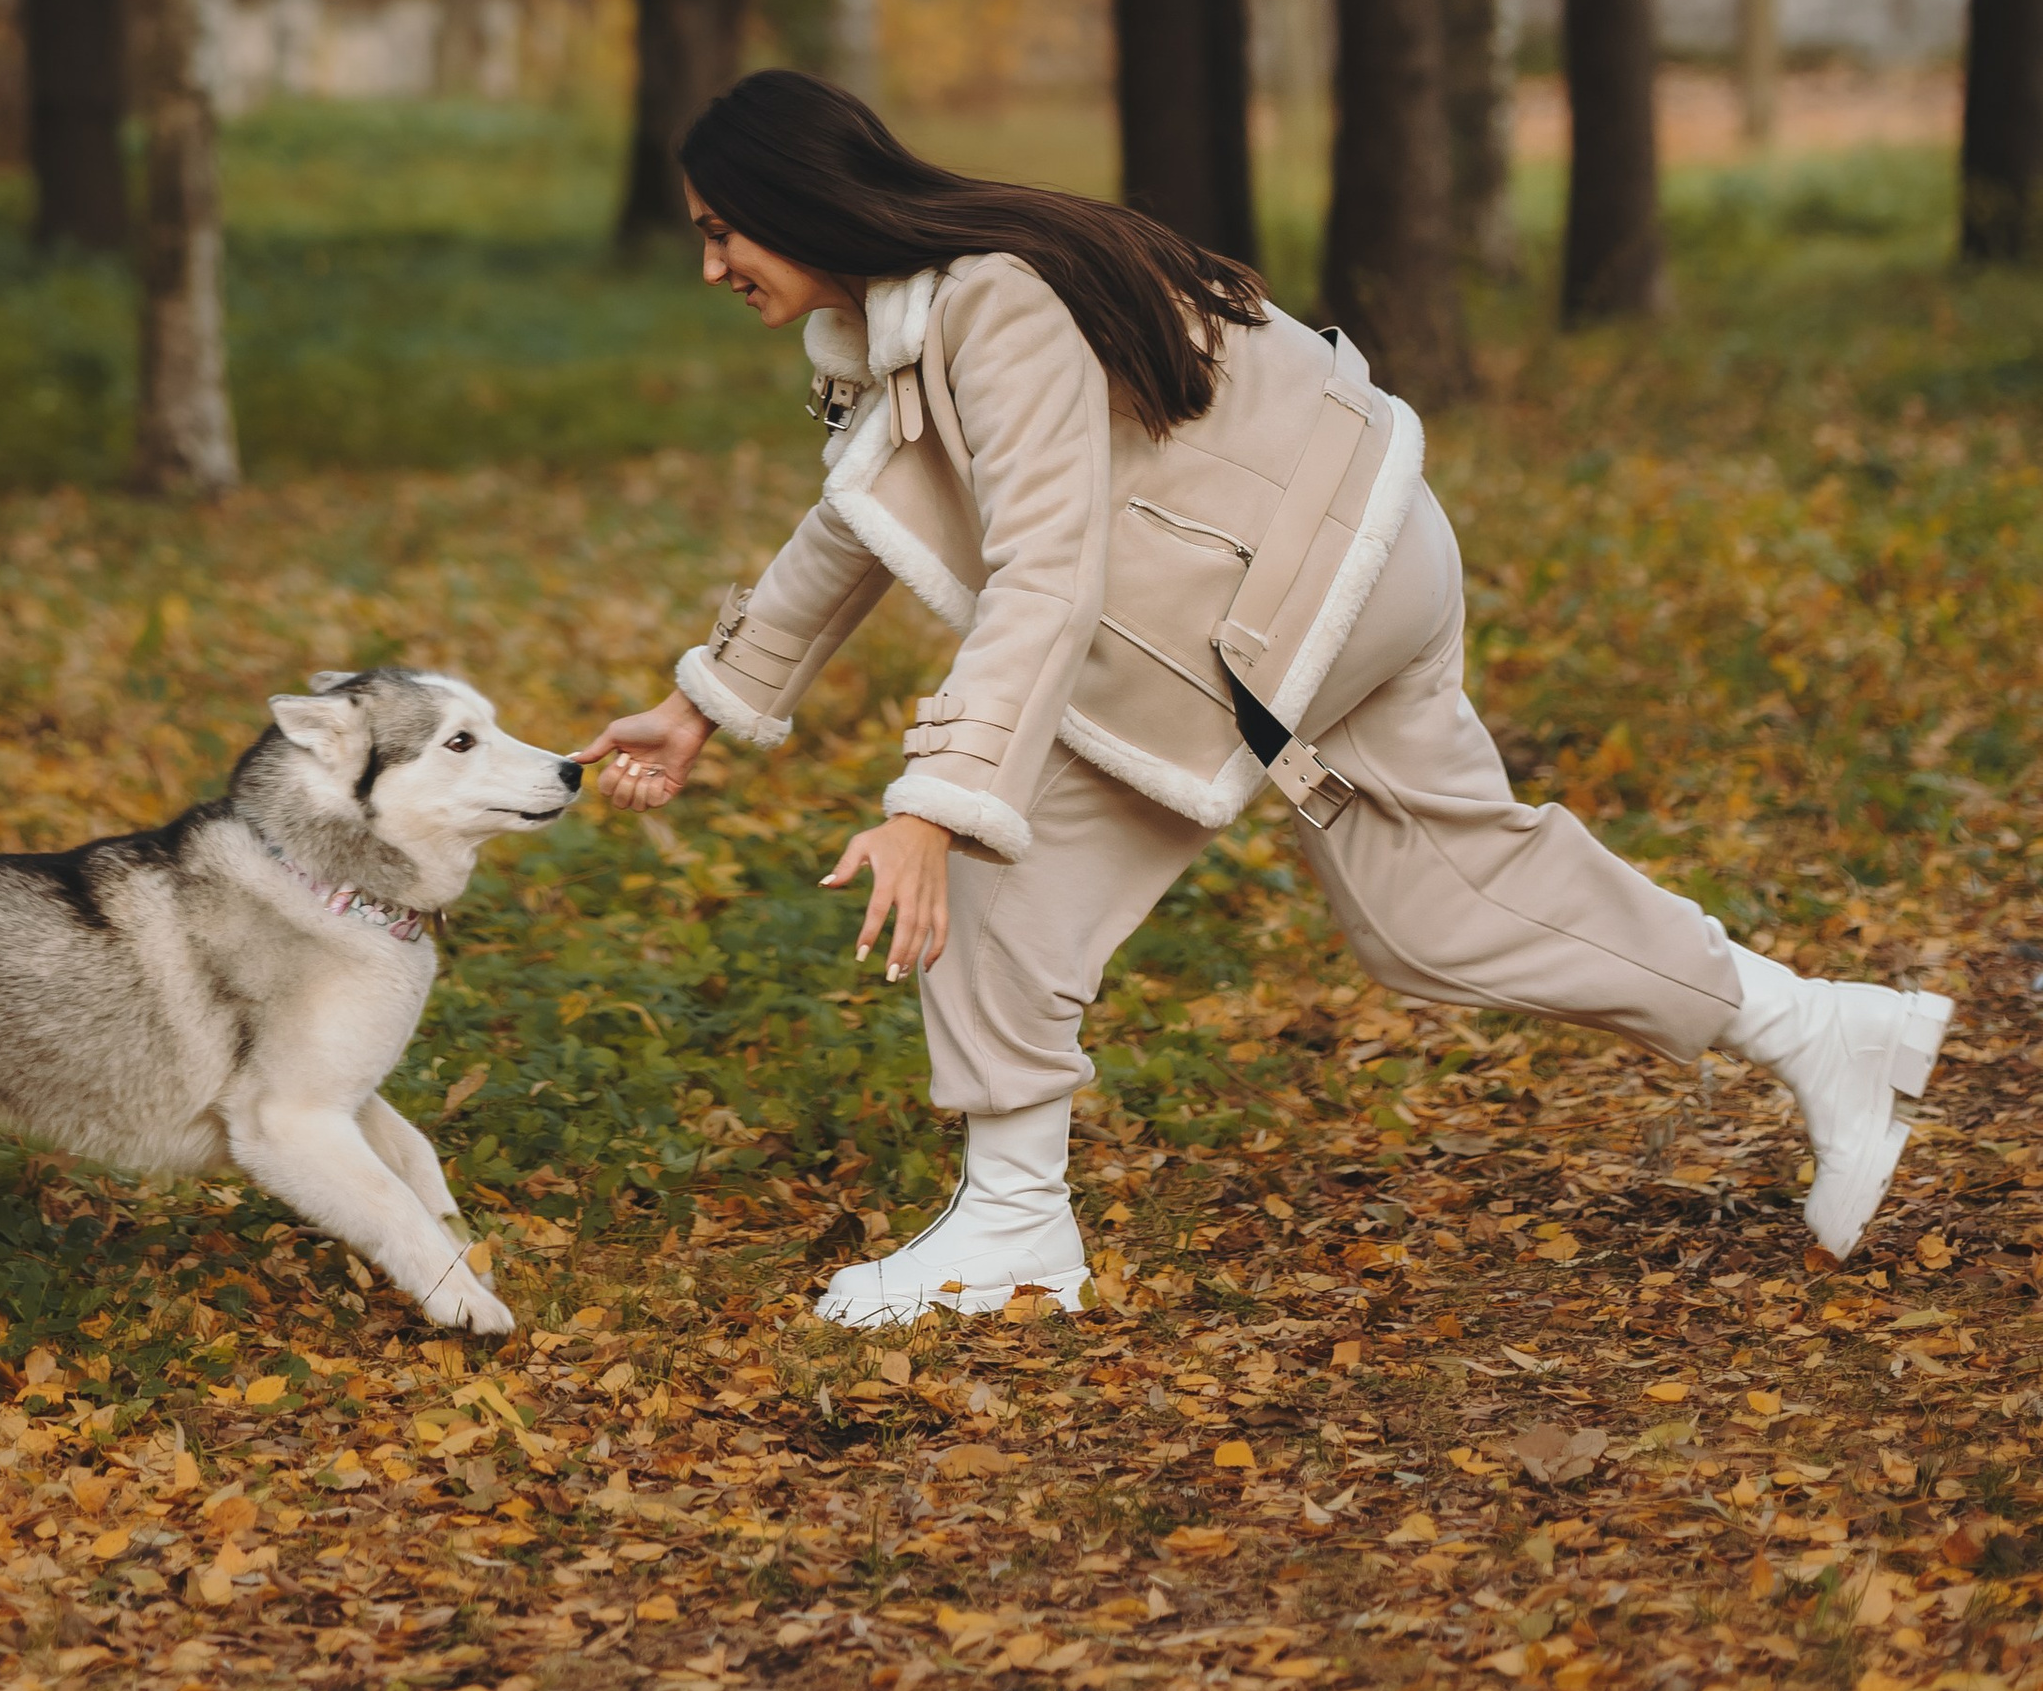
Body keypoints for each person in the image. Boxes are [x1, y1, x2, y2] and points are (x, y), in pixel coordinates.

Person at [578, 69, 1954, 1330]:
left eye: (723, 231)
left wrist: (936, 807)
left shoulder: (989, 303)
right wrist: (704, 704)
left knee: (1004, 860)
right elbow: (860, 520)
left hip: (1281, 600)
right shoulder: (924, 314)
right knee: (1441, 908)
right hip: (1355, 558)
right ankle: (1820, 1029)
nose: (710, 265)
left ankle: (1011, 1224)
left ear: (796, 204)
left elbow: (1045, 573)